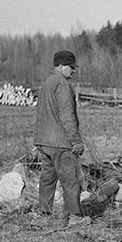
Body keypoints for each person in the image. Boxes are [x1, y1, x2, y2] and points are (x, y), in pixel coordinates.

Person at [34, 50, 89, 227]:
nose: (73, 71)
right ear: (61, 66)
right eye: (71, 67)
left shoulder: (46, 83)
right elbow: (67, 117)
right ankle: (74, 217)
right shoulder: (63, 85)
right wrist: (76, 141)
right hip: (60, 142)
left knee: (47, 179)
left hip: (44, 140)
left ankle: (44, 213)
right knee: (70, 179)